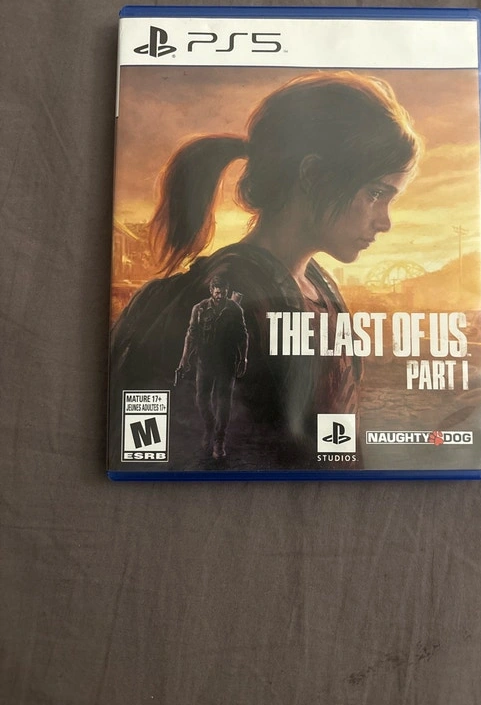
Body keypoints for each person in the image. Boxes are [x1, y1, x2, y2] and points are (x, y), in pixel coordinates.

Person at [110, 71, 421, 470]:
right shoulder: (225, 293)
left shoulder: (318, 288)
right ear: (313, 176)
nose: (385, 222)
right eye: (376, 193)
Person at [176, 276, 248, 461]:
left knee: (223, 401)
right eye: (217, 291)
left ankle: (219, 439)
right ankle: (211, 426)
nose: (220, 295)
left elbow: (242, 336)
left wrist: (243, 359)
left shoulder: (235, 309)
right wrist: (184, 359)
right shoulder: (199, 309)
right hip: (205, 361)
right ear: (211, 291)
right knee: (201, 399)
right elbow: (191, 335)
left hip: (226, 362)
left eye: (223, 291)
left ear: (226, 291)